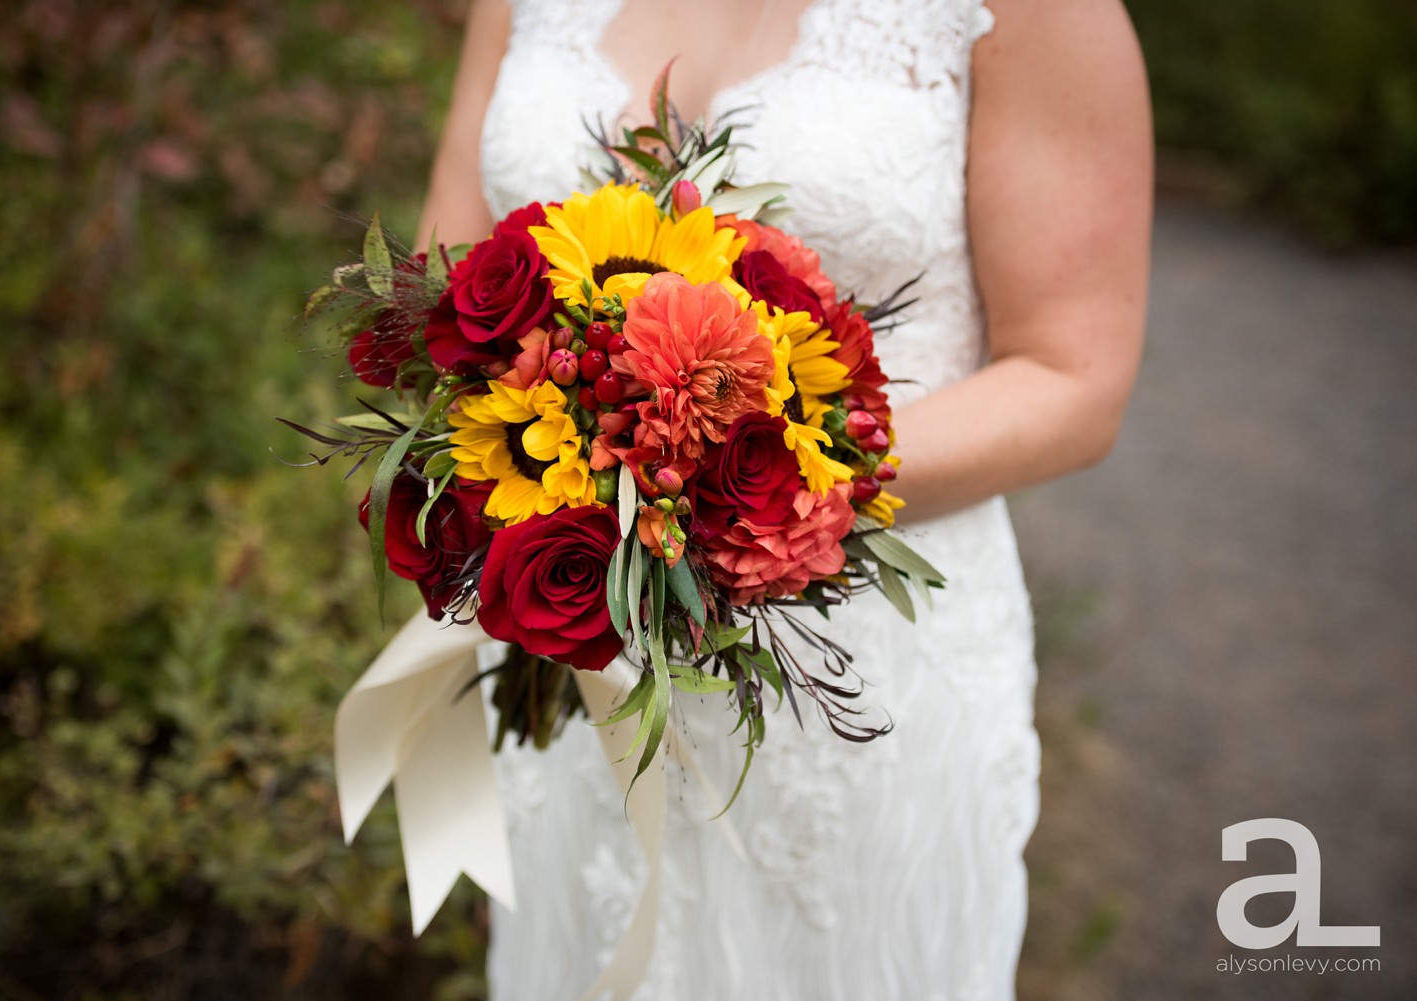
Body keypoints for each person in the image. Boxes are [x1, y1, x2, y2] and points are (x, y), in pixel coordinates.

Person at [419, 0, 1151, 997]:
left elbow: (1073, 379)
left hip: (863, 673)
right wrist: (556, 468)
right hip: (584, 647)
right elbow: (443, 292)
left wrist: (739, 496)